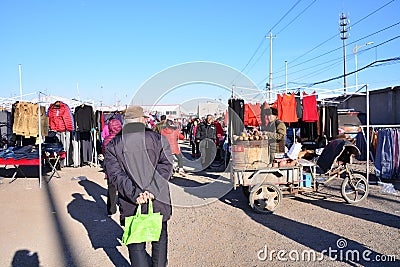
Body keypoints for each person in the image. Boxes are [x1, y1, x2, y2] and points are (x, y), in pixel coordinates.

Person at [104, 105, 173, 267]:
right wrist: (152, 190)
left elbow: (115, 176)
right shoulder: (158, 139)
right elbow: (166, 165)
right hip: (157, 198)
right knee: (160, 238)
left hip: (131, 201)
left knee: (136, 244)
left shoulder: (113, 145)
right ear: (142, 120)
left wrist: (136, 193)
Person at [102, 119, 122, 216]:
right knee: (123, 188)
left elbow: (104, 152)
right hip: (122, 167)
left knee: (111, 188)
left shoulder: (106, 139)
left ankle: (111, 209)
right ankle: (123, 208)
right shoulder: (123, 138)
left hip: (110, 167)